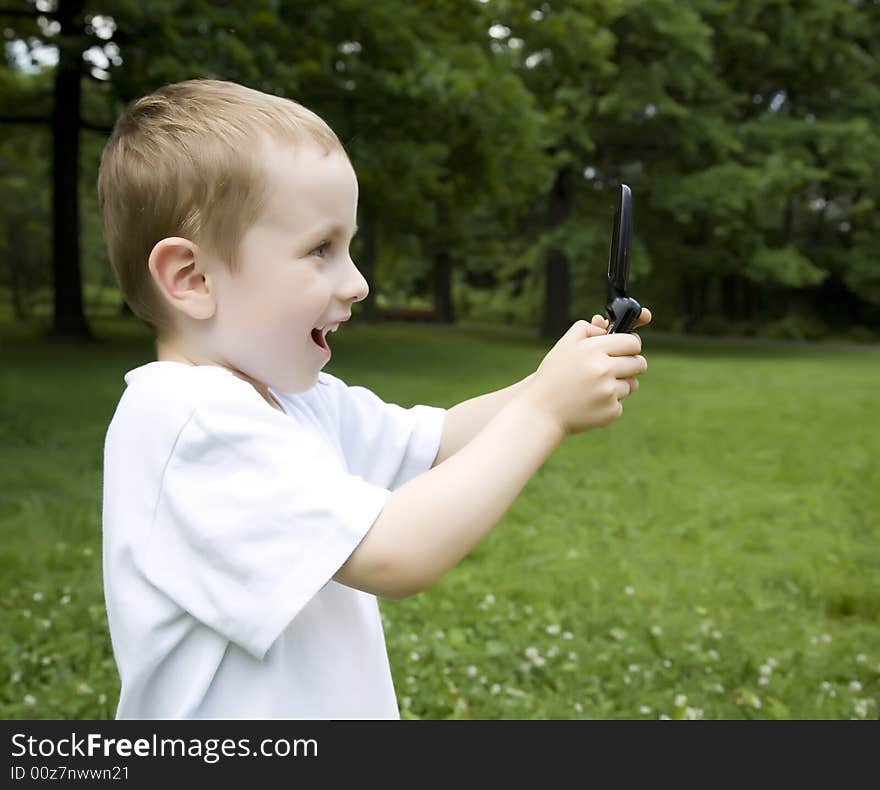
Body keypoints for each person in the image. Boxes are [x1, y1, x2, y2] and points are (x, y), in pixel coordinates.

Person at [97, 78, 651, 720]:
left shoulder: (295, 402)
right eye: (320, 250)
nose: (357, 283)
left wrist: (558, 370)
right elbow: (394, 553)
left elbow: (440, 439)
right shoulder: (186, 421)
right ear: (193, 279)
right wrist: (546, 409)